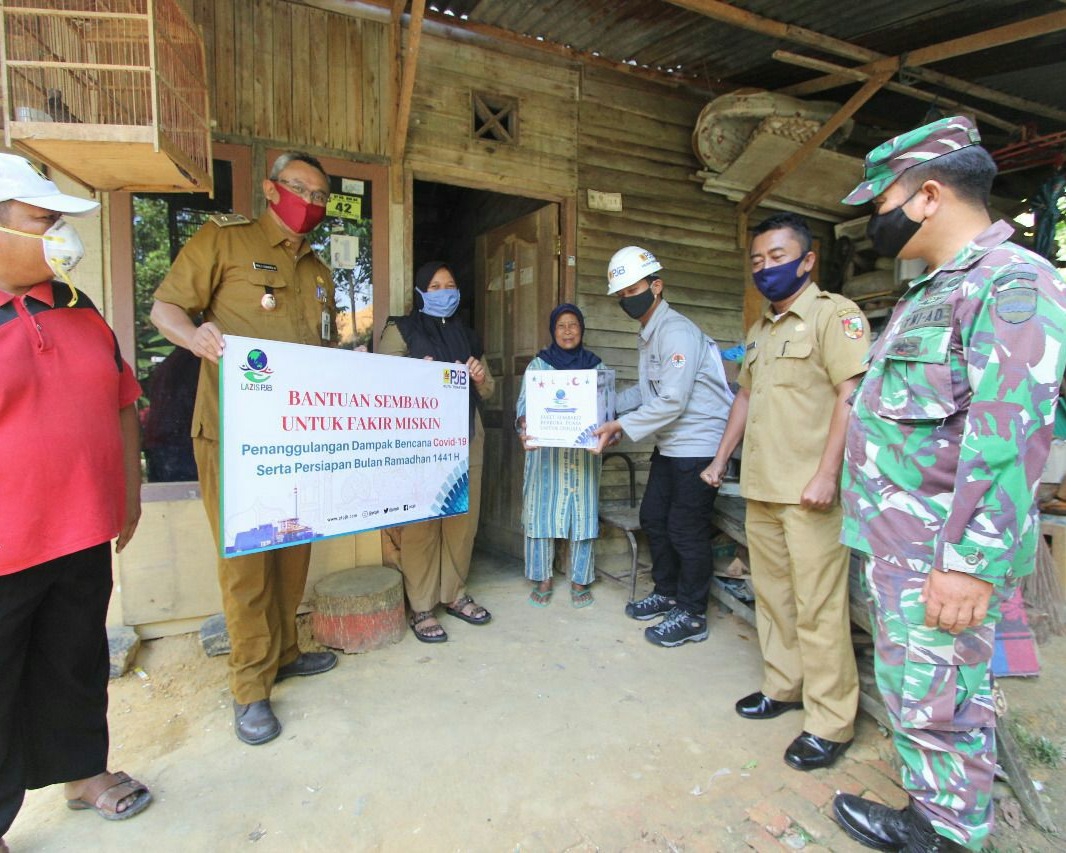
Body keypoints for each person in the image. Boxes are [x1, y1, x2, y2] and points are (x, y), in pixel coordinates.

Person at [830, 116, 1066, 853]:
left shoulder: (1014, 282)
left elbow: (1009, 438)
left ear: (927, 195)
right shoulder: (934, 290)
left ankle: (950, 836)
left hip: (942, 554)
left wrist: (967, 562)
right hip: (902, 546)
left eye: (881, 204)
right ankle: (930, 818)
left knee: (946, 703)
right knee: (917, 693)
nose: (877, 221)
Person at [150, 151, 339, 746]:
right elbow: (164, 309)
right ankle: (249, 688)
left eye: (321, 195)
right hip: (234, 432)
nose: (310, 201)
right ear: (270, 188)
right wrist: (197, 336)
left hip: (297, 438)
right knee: (247, 561)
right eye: (299, 188)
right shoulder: (222, 241)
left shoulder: (319, 270)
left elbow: (322, 351)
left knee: (292, 549)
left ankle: (284, 652)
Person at [0, 154, 151, 845]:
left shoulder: (79, 308)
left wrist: (128, 490)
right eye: (42, 220)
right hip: (8, 545)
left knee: (76, 659)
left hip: (82, 530)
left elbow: (122, 399)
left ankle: (83, 771)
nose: (60, 233)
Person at [701, 213, 867, 770]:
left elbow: (851, 395)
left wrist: (827, 474)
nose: (765, 268)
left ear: (807, 260)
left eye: (776, 257)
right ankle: (784, 686)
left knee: (818, 605)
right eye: (757, 261)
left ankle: (831, 720)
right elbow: (745, 400)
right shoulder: (760, 332)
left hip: (811, 493)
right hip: (763, 487)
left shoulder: (833, 317)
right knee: (773, 597)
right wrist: (721, 460)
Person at [592, 246, 734, 646]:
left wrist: (620, 423)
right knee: (655, 518)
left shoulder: (675, 331)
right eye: (619, 294)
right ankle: (667, 592)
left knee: (686, 530)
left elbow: (672, 400)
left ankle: (691, 614)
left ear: (656, 286)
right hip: (673, 446)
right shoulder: (650, 332)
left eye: (631, 289)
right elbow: (647, 389)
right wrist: (606, 407)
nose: (625, 299)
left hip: (698, 446)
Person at [378, 261, 496, 642]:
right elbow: (381, 381)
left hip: (466, 433)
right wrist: (417, 371)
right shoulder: (402, 328)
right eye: (435, 285)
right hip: (421, 441)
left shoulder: (467, 335)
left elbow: (489, 389)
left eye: (450, 284)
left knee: (463, 519)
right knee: (422, 522)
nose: (444, 291)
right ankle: (423, 605)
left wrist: (479, 377)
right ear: (420, 292)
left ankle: (455, 594)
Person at [516, 304, 605, 608]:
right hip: (545, 458)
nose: (568, 331)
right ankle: (543, 577)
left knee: (582, 516)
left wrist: (608, 431)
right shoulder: (539, 366)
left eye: (573, 325)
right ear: (553, 331)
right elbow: (523, 408)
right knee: (542, 513)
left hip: (583, 458)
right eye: (561, 326)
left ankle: (579, 579)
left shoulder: (595, 367)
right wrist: (525, 424)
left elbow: (607, 409)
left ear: (582, 329)